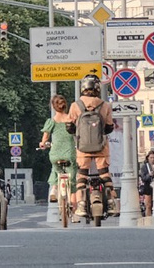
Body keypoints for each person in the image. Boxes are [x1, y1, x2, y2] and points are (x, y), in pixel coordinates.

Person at [71, 87, 113, 221]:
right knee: (105, 174)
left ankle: (81, 204)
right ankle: (111, 202)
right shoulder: (105, 105)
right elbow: (109, 127)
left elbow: (69, 127)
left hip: (83, 148)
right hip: (101, 147)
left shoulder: (75, 105)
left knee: (82, 176)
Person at [39, 94, 77, 223]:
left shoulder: (51, 121)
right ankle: (74, 211)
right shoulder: (71, 120)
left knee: (55, 170)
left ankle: (54, 189)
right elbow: (76, 134)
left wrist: (43, 144)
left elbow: (45, 139)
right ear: (65, 105)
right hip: (70, 153)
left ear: (53, 107)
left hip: (55, 154)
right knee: (72, 181)